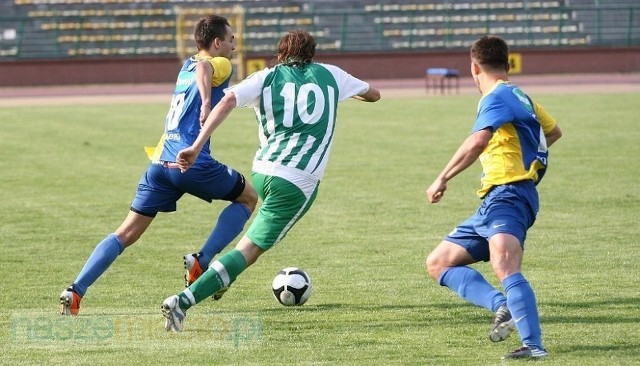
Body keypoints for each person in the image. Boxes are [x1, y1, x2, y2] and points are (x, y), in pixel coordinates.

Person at [160, 29, 381, 332]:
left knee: (250, 236)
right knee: (248, 251)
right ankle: (183, 301)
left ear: (279, 55)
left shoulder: (266, 77)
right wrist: (345, 92)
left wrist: (197, 146)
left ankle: (221, 277)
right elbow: (374, 94)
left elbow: (226, 101)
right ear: (312, 54)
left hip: (263, 172)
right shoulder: (332, 75)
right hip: (296, 182)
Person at [60, 15, 257, 316]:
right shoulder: (219, 64)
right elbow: (207, 67)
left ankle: (75, 290)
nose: (234, 45)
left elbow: (198, 68)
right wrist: (207, 102)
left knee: (125, 234)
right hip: (190, 162)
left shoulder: (184, 67)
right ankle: (202, 260)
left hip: (159, 164)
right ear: (217, 43)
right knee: (248, 198)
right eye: (231, 40)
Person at [424, 35, 562, 360]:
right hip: (493, 201)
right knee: (438, 263)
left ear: (474, 68)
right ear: (508, 64)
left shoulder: (496, 96)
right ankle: (502, 305)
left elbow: (477, 141)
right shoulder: (520, 95)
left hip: (510, 195)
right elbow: (553, 131)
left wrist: (442, 178)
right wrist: (530, 158)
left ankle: (533, 345)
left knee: (505, 264)